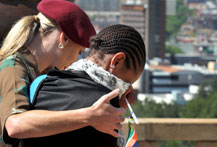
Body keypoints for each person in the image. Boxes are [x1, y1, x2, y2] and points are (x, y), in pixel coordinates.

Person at [0, 0, 127, 146]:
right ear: (64, 38)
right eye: (78, 52)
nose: (75, 60)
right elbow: (15, 125)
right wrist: (89, 116)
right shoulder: (13, 67)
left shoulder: (37, 71)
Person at [21, 24, 146, 147]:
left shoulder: (41, 82)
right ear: (116, 61)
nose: (127, 91)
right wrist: (115, 110)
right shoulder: (104, 114)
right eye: (126, 83)